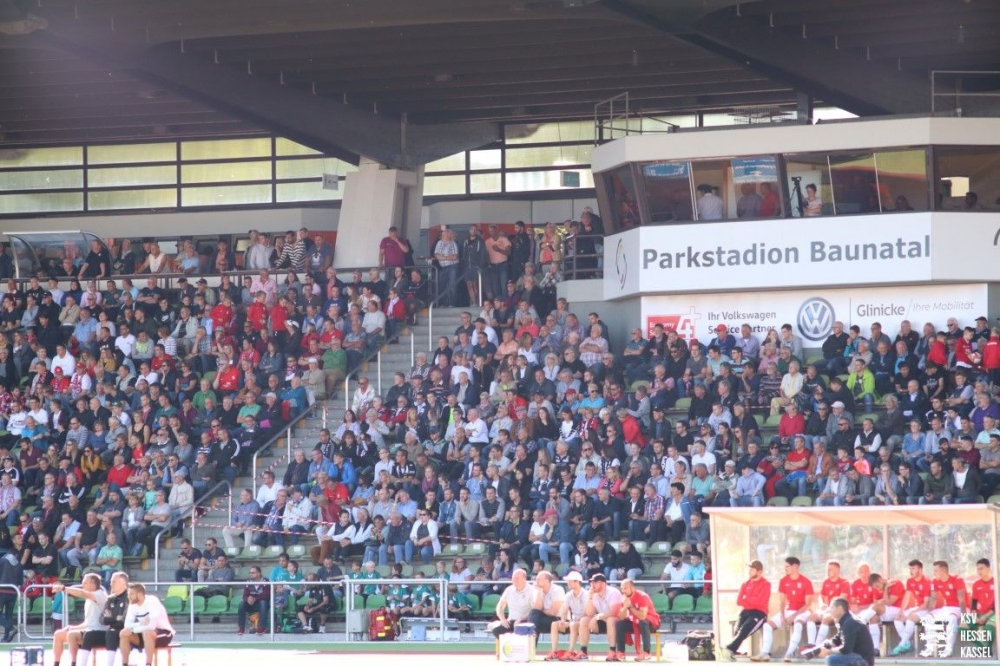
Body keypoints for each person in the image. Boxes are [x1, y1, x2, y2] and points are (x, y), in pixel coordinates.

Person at [761, 557, 815, 662]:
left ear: (795, 567)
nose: (785, 568)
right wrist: (782, 615)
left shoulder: (806, 582)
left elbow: (808, 604)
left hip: (803, 611)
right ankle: (764, 653)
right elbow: (782, 602)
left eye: (787, 566)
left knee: (798, 625)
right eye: (785, 566)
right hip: (788, 610)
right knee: (767, 625)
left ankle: (789, 654)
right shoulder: (783, 581)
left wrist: (794, 616)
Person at [51, 573, 108, 666]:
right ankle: (56, 664)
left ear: (93, 585)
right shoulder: (89, 599)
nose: (82, 585)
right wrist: (74, 627)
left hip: (98, 631)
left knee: (72, 635)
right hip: (88, 630)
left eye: (85, 583)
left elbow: (82, 593)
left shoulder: (100, 594)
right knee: (58, 634)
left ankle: (73, 663)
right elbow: (88, 622)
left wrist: (63, 588)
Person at [720, 560, 771, 661]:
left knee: (744, 629)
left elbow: (761, 601)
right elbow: (739, 601)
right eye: (749, 569)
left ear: (759, 571)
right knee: (737, 631)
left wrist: (746, 599)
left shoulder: (766, 584)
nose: (749, 571)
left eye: (752, 570)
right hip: (745, 612)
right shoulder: (745, 583)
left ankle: (729, 649)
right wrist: (753, 599)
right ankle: (732, 651)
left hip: (759, 613)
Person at [119, 583, 175, 666]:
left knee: (147, 632)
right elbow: (127, 625)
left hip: (164, 633)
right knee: (124, 633)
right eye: (128, 594)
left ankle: (148, 664)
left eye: (131, 594)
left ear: (140, 595)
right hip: (143, 632)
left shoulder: (152, 601)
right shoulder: (132, 604)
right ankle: (125, 664)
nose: (129, 596)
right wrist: (139, 624)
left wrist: (133, 629)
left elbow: (151, 626)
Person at [816, 597, 876, 666]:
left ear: (840, 609)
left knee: (832, 659)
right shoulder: (846, 620)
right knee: (833, 658)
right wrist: (821, 647)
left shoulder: (850, 622)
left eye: (832, 608)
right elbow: (836, 640)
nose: (830, 610)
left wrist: (829, 651)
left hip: (863, 659)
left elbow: (846, 649)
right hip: (858, 656)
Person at [612, 578, 660, 662]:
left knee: (643, 622)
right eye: (622, 588)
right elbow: (621, 617)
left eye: (625, 588)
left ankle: (647, 652)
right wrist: (625, 607)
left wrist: (630, 607)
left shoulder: (642, 596)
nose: (623, 591)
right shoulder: (624, 598)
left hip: (651, 622)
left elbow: (643, 616)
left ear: (632, 588)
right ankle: (621, 652)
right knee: (620, 624)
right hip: (635, 621)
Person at [547, 571, 588, 660]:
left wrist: (573, 621)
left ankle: (570, 651)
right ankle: (554, 651)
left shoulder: (585, 594)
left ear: (577, 582)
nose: (567, 583)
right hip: (573, 621)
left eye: (570, 581)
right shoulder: (568, 595)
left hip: (584, 622)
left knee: (573, 625)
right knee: (554, 624)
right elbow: (564, 610)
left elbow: (586, 612)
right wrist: (563, 620)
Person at [581, 573, 622, 660]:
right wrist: (590, 597)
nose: (592, 585)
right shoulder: (594, 594)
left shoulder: (613, 592)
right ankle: (583, 651)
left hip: (619, 622)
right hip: (603, 620)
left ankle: (612, 651)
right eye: (591, 583)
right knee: (584, 620)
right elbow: (589, 613)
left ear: (603, 583)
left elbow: (614, 611)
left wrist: (596, 617)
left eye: (595, 582)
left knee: (610, 619)